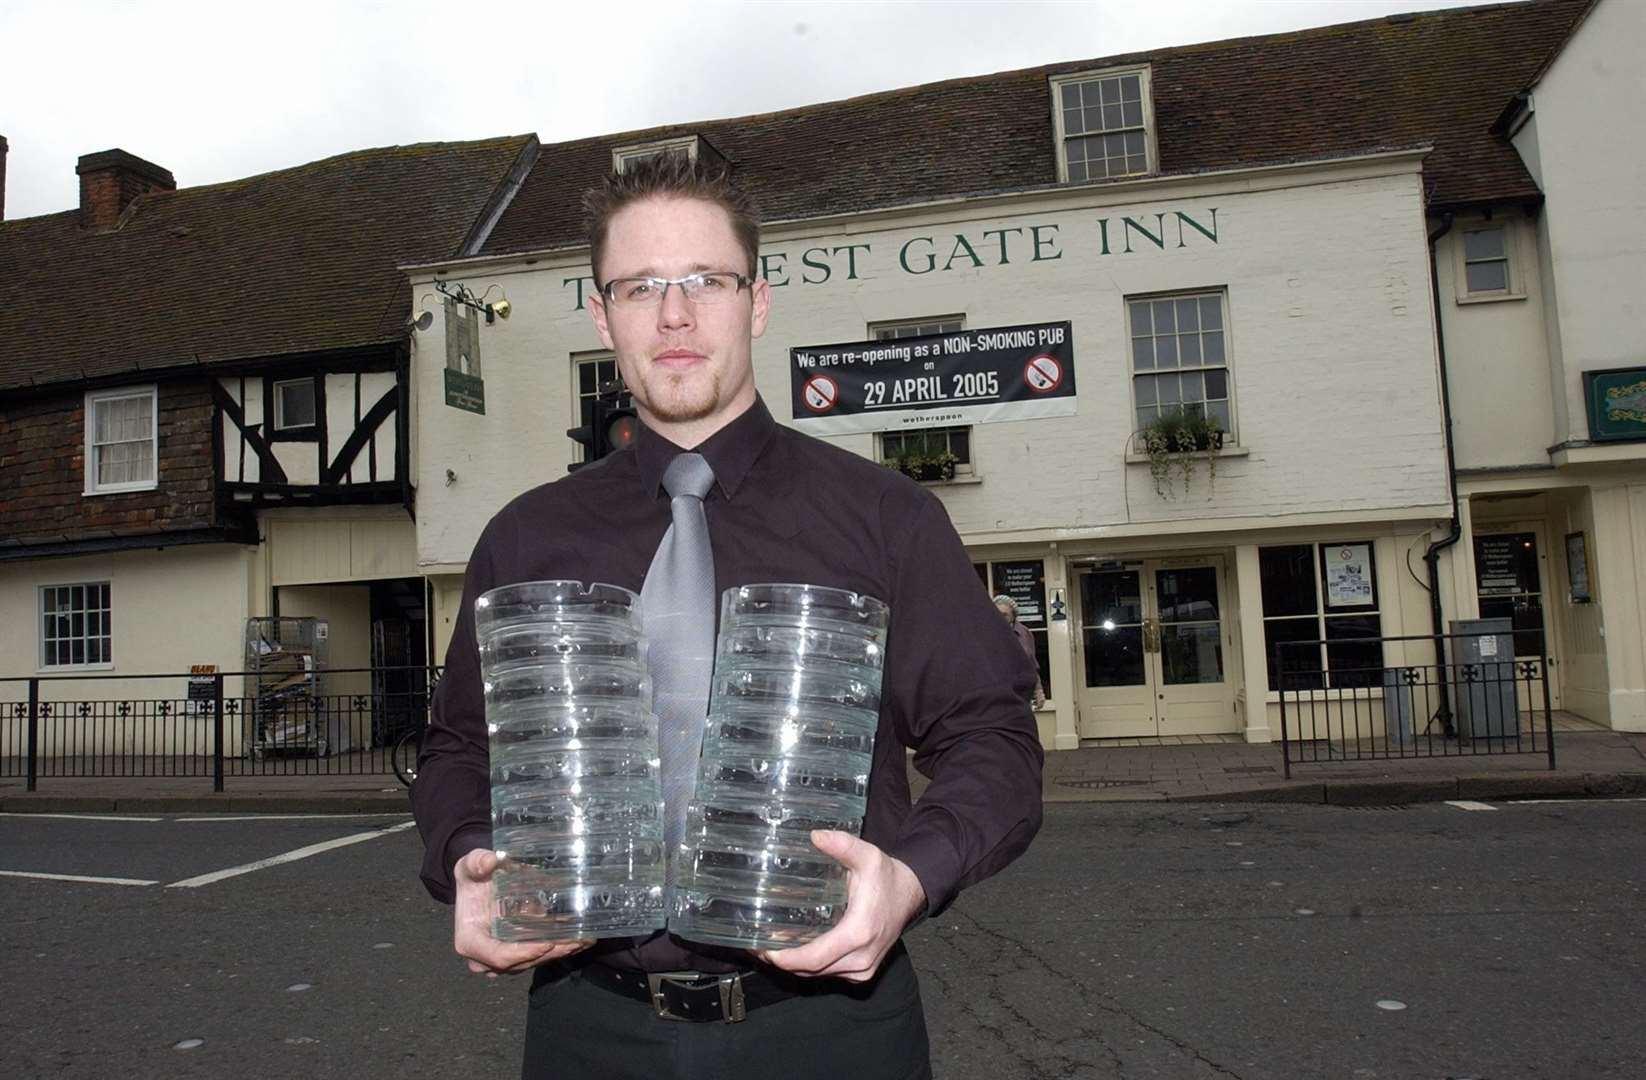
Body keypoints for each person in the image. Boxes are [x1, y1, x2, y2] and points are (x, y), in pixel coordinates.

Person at [411, 153, 1044, 1080]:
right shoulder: (526, 537)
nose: (674, 314)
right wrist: (467, 855)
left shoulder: (884, 520)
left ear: (757, 301)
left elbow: (992, 738)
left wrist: (907, 880)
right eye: (640, 287)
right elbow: (460, 749)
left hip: (829, 1032)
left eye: (705, 280)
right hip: (591, 1030)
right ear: (601, 314)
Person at [994, 594, 1047, 710]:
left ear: (1013, 616)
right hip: (997, 695)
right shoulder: (987, 634)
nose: (1000, 618)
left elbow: (1032, 665)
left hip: (1022, 694)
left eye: (1005, 615)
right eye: (997, 614)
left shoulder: (1025, 633)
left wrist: (1038, 690)